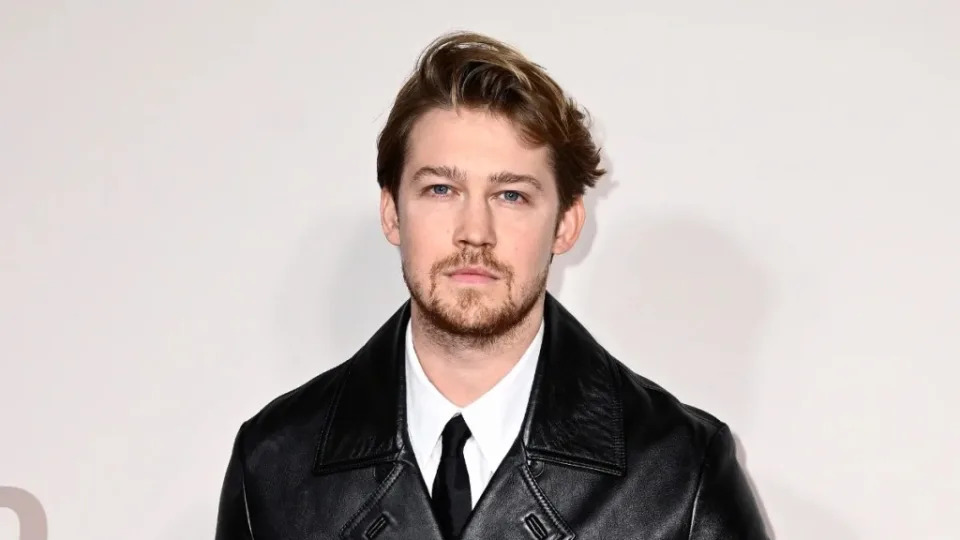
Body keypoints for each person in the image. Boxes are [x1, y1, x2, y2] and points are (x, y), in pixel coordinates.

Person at [215, 31, 768, 540]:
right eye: (440, 190)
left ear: (567, 224)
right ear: (391, 212)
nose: (474, 233)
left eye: (511, 196)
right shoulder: (272, 463)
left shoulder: (679, 475)